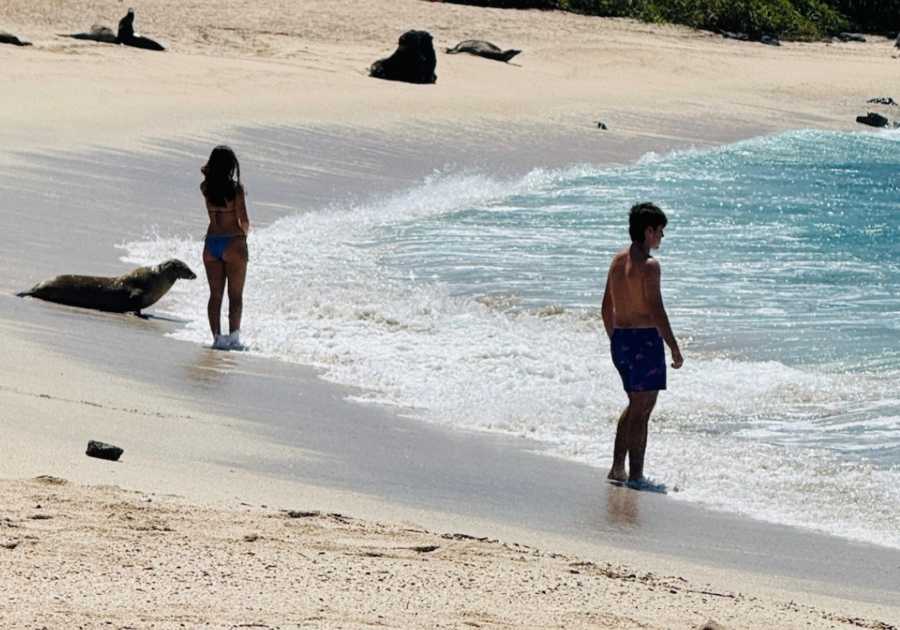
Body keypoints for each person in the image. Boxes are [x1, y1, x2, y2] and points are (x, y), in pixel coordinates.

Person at [601, 202, 683, 487]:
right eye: (660, 231)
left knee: (635, 404)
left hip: (622, 340)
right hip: (644, 341)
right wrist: (673, 345)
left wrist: (617, 340)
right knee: (642, 409)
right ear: (648, 231)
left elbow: (606, 308)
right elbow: (656, 309)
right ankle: (635, 476)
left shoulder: (617, 260)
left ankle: (617, 468)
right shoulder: (649, 266)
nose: (662, 236)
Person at [200, 145, 249, 350]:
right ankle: (234, 338)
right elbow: (244, 220)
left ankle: (217, 338)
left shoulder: (205, 187)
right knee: (235, 295)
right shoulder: (235, 190)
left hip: (211, 243)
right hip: (233, 241)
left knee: (215, 295)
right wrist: (243, 239)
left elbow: (204, 172)